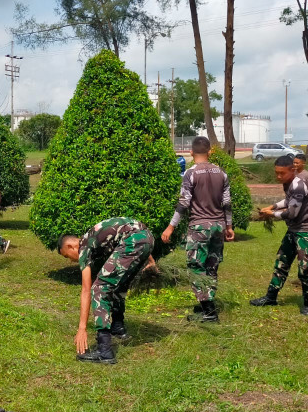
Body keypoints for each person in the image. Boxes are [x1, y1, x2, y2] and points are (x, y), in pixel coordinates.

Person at [58, 218, 155, 364]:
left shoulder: (84, 246)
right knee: (118, 284)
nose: (70, 260)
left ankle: (104, 351)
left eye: (67, 255)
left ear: (71, 246)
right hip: (147, 238)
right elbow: (135, 232)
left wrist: (82, 328)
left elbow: (86, 289)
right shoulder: (93, 237)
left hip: (133, 240)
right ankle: (118, 328)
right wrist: (150, 259)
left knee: (99, 288)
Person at [161, 136, 235, 323]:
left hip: (199, 227)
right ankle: (207, 302)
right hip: (218, 226)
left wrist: (171, 227)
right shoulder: (221, 173)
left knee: (196, 267)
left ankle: (209, 311)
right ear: (210, 152)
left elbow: (184, 203)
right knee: (212, 265)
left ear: (191, 152)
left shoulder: (190, 173)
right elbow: (227, 203)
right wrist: (229, 226)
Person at [252, 155, 308, 316]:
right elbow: (288, 201)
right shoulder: (288, 183)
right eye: (276, 173)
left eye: (282, 173)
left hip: (307, 231)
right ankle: (271, 297)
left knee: (305, 269)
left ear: (293, 170)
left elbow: (291, 213)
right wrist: (272, 206)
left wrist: (271, 214)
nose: (278, 176)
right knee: (281, 263)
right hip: (294, 229)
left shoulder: (298, 185)